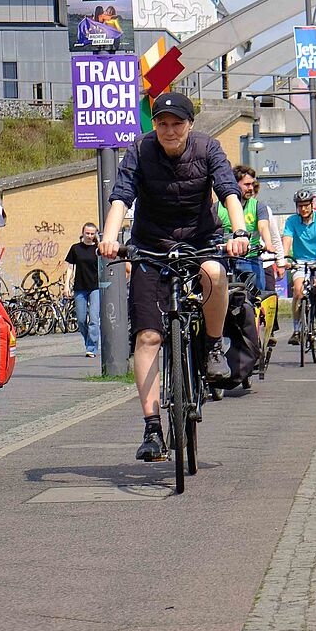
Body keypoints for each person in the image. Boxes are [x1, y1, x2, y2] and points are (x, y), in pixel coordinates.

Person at [97, 91, 250, 462]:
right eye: (161, 123)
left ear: (190, 125)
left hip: (201, 240)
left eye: (176, 124)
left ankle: (213, 345)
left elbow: (228, 190)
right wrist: (109, 237)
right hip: (151, 245)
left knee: (215, 272)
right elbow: (121, 195)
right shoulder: (140, 150)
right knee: (148, 335)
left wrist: (240, 232)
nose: (168, 130)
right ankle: (152, 426)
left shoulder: (208, 148)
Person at [281, 190, 316, 343]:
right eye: (300, 206)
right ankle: (297, 330)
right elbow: (287, 240)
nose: (303, 209)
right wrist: (284, 258)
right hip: (300, 261)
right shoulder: (292, 221)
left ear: (312, 205)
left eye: (306, 205)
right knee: (298, 292)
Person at [218, 164, 275, 295]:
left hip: (250, 259)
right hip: (226, 259)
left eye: (252, 184)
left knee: (256, 297)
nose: (251, 188)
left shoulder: (258, 207)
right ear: (234, 184)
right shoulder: (219, 207)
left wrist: (268, 244)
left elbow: (263, 226)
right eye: (247, 185)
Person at [63, 222, 101, 358]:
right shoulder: (75, 248)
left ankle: (91, 347)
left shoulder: (98, 249)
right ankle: (88, 342)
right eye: (87, 233)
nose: (90, 236)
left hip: (95, 287)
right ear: (83, 233)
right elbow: (70, 268)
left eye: (92, 233)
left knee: (94, 319)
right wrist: (66, 285)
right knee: (80, 319)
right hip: (80, 287)